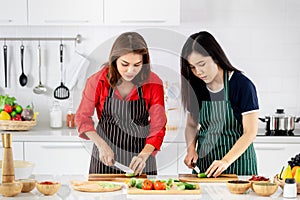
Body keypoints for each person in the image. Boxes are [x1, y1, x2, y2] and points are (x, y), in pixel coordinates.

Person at [75, 32, 166, 175]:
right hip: (105, 157)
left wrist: (143, 155)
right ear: (114, 59)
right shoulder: (97, 81)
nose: (131, 71)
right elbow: (82, 118)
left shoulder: (153, 83)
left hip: (141, 157)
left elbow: (158, 127)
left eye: (137, 65)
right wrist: (101, 145)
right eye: (125, 64)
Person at [180, 31, 259, 177]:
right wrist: (191, 149)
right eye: (192, 67)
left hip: (238, 166)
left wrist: (225, 161)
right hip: (206, 167)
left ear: (215, 57)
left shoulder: (241, 85)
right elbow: (191, 125)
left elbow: (250, 132)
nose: (198, 72)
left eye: (201, 64)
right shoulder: (197, 87)